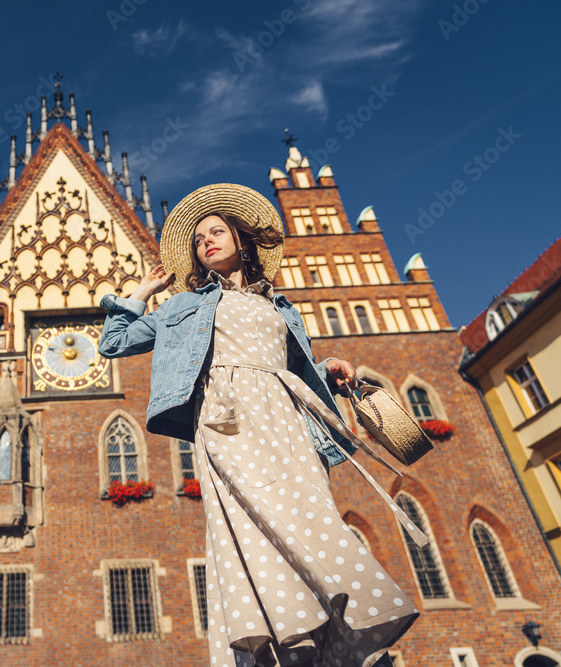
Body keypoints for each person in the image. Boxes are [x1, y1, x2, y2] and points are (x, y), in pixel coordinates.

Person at [98, 184, 425, 667]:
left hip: (288, 418)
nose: (205, 241)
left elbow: (299, 368)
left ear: (243, 241)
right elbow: (114, 342)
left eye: (216, 232)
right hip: (227, 417)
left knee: (308, 512)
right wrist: (142, 293)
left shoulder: (281, 308)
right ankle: (292, 635)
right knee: (252, 523)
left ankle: (323, 635)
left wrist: (329, 368)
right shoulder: (184, 306)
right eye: (198, 239)